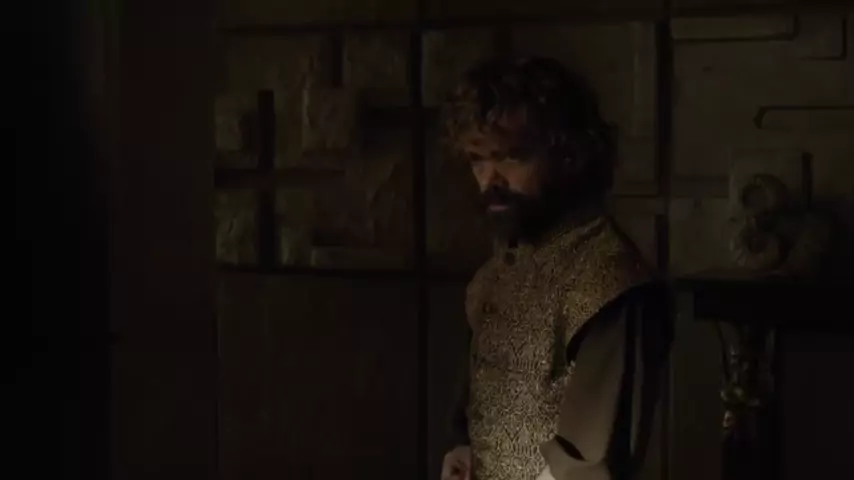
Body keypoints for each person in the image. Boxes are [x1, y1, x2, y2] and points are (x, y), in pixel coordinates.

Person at [439, 57, 672, 480]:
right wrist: (465, 450)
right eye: (477, 160)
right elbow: (484, 410)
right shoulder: (498, 271)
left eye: (512, 157)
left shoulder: (607, 279)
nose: (490, 180)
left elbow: (589, 467)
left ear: (569, 155)